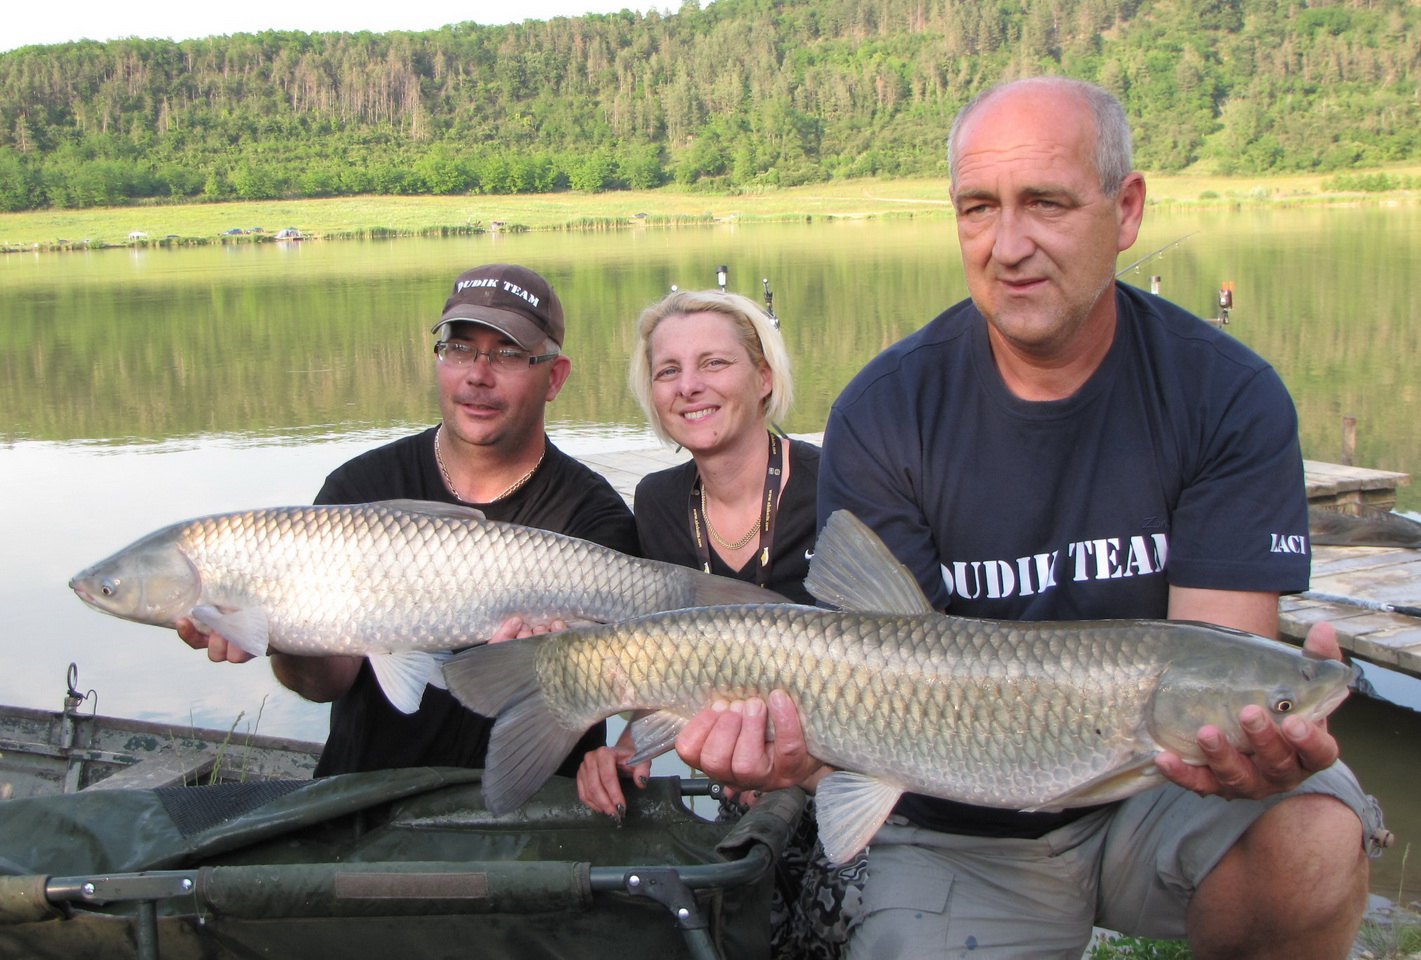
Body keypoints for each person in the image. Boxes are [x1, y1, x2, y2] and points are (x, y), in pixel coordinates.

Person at [673, 78, 1387, 959]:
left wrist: (1263, 728)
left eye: (1044, 202)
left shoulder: (1226, 395)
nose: (1008, 245)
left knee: (1314, 837)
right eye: (979, 208)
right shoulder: (886, 409)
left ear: (1124, 211)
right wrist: (802, 750)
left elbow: (1218, 670)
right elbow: (871, 668)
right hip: (949, 820)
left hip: (1158, 793)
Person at [179, 262, 638, 777]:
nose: (476, 375)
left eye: (508, 354)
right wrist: (277, 631)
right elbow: (324, 684)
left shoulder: (593, 518)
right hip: (364, 796)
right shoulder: (358, 491)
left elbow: (626, 684)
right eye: (459, 348)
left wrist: (546, 668)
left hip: (534, 812)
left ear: (554, 377)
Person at [574, 289, 861, 959]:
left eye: (713, 363)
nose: (689, 387)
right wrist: (626, 744)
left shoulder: (838, 486)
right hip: (742, 785)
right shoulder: (658, 501)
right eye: (668, 370)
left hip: (850, 773)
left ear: (763, 378)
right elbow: (666, 654)